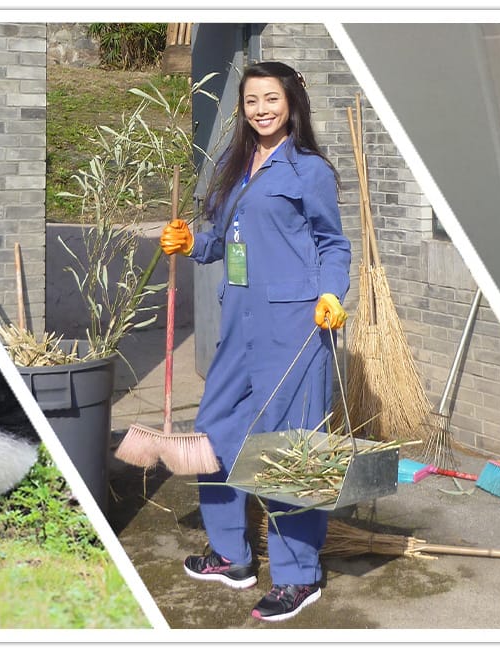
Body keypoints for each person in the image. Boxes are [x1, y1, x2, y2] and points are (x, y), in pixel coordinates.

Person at [159, 61, 352, 622]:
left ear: (291, 103)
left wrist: (333, 293)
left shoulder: (308, 170)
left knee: (287, 450)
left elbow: (332, 244)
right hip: (239, 321)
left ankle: (299, 576)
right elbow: (221, 240)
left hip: (293, 327)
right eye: (251, 101)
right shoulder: (235, 165)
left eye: (271, 98)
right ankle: (231, 554)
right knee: (215, 433)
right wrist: (190, 240)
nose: (261, 109)